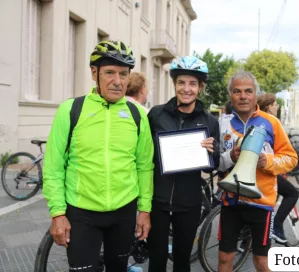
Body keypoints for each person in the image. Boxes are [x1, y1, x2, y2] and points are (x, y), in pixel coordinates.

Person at [43, 40, 154, 272]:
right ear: (94, 73)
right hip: (81, 214)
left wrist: (144, 210)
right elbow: (54, 167)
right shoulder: (71, 110)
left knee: (118, 268)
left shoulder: (136, 115)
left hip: (124, 212)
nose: (117, 81)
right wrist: (57, 213)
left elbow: (144, 166)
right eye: (110, 73)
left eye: (123, 74)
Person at [218, 71, 298, 272]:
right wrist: (230, 158)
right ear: (230, 95)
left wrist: (267, 161)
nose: (243, 96)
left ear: (255, 94)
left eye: (248, 91)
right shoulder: (223, 124)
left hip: (261, 204)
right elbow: (213, 164)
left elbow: (291, 158)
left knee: (262, 262)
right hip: (231, 202)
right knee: (224, 258)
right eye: (237, 91)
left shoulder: (271, 122)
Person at [147, 56, 220, 272]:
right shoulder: (156, 114)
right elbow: (145, 155)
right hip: (157, 199)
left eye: (192, 84)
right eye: (181, 82)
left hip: (189, 201)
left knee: (182, 261)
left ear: (200, 87)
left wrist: (212, 152)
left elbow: (210, 167)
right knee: (157, 259)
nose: (186, 89)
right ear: (175, 84)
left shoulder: (209, 121)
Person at [257, 93, 299, 244]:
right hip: (267, 169)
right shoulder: (272, 121)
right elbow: (283, 147)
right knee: (293, 194)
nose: (277, 107)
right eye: (275, 104)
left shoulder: (254, 119)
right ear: (268, 106)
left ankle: (246, 239)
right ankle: (277, 226)